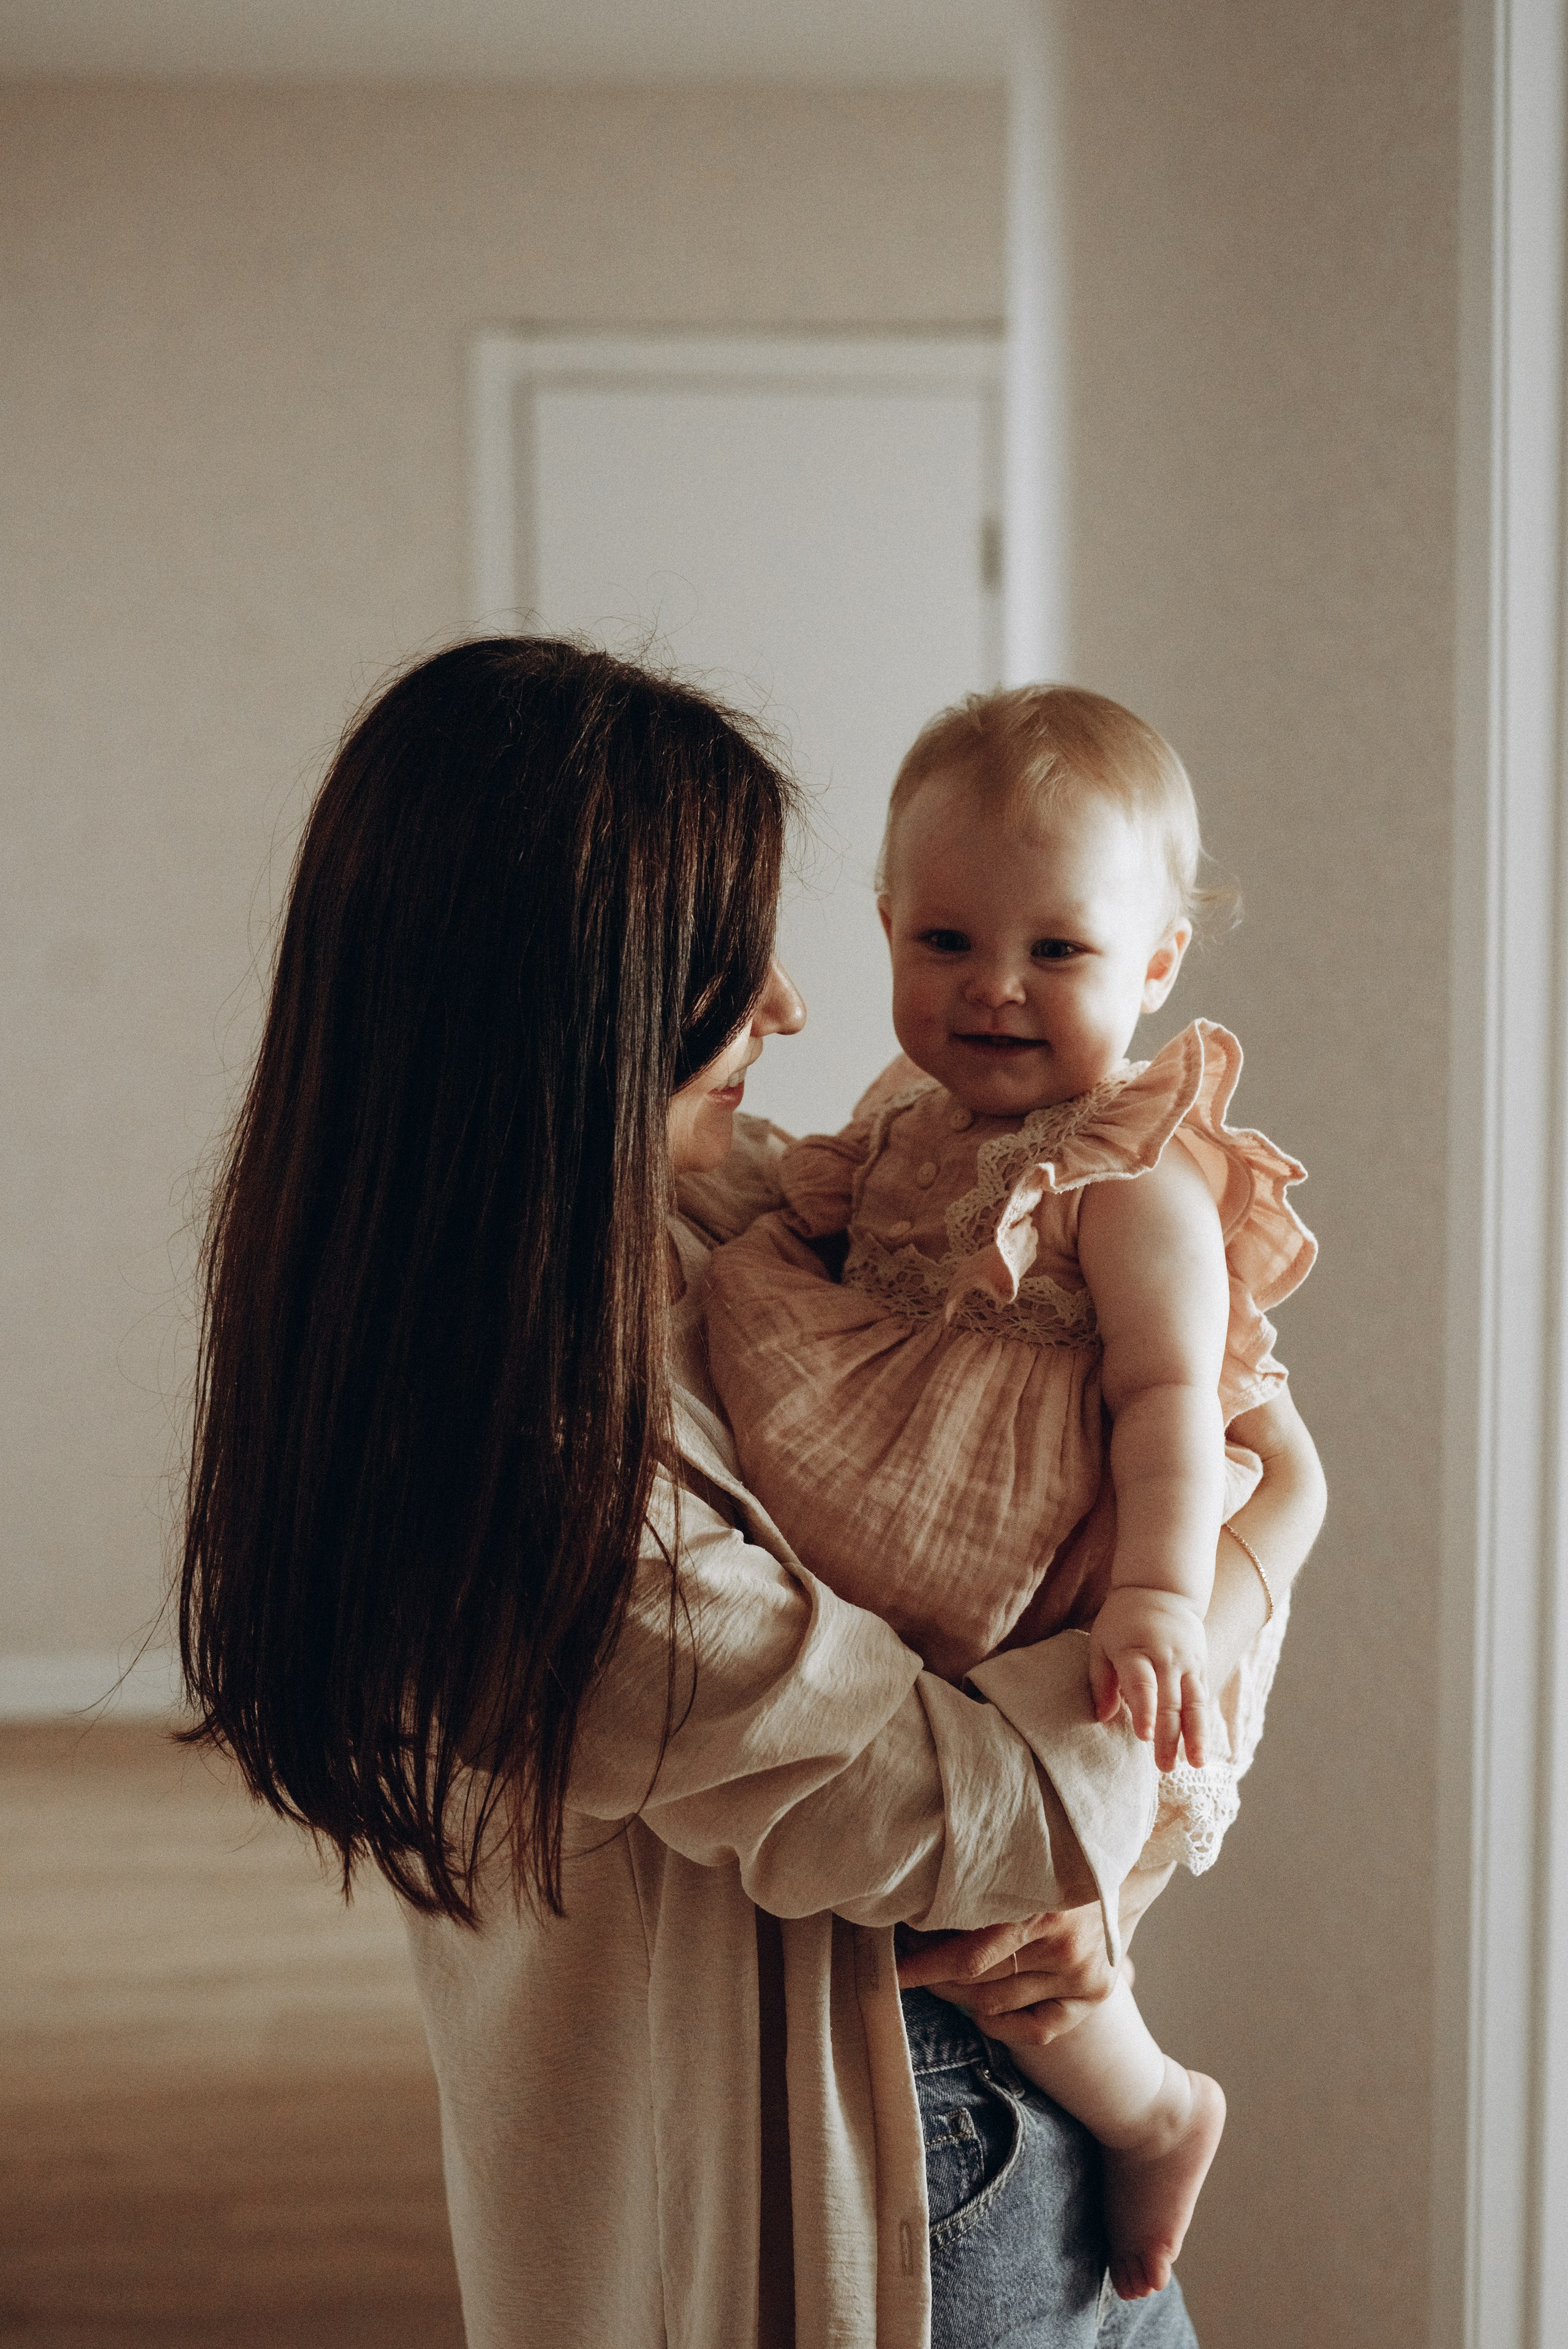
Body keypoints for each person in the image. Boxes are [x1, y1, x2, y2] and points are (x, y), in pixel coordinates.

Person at [177, 639, 1325, 2349]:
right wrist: (1268, 1529)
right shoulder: (534, 1466)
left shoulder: (699, 1215)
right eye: (728, 964)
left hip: (964, 2101)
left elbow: (1196, 1384)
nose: (789, 1008)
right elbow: (975, 1812)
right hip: (899, 2146)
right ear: (573, 1006)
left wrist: (1252, 1495)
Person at [705, 684, 1321, 2301]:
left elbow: (1173, 1400)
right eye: (948, 940)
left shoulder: (1125, 1176)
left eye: (1058, 951)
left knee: (1041, 1941)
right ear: (891, 926)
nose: (994, 987)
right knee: (992, 1941)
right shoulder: (905, 1119)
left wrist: (1161, 1600)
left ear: (1156, 964)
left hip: (1097, 1592)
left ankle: (1159, 2107)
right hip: (955, 1578)